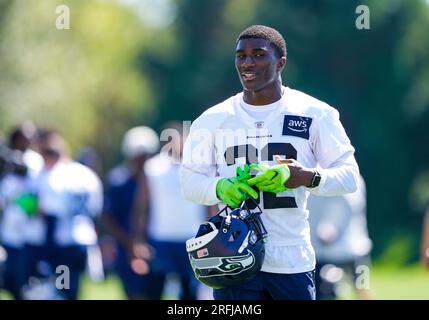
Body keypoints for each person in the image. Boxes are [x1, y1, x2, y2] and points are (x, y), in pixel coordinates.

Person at [180, 25, 359, 300]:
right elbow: (189, 182)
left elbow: (349, 177)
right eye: (241, 56)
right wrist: (221, 187)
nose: (247, 63)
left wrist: (303, 176)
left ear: (281, 62)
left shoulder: (315, 113)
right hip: (232, 256)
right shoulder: (213, 119)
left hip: (291, 258)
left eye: (259, 54)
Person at [135, 121, 208, 299]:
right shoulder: (152, 167)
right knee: (155, 289)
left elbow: (208, 203)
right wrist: (139, 240)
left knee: (190, 291)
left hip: (191, 238)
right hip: (161, 238)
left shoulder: (200, 165)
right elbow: (142, 207)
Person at [34, 129, 103, 299]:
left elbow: (48, 211)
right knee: (74, 287)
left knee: (63, 289)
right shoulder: (87, 174)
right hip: (85, 238)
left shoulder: (56, 175)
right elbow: (96, 209)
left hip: (64, 240)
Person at [102, 126, 159, 299]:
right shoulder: (118, 180)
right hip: (125, 248)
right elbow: (108, 217)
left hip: (153, 245)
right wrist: (131, 244)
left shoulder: (156, 179)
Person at [307, 175, 372, 299]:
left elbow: (350, 206)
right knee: (327, 290)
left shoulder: (350, 176)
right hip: (323, 251)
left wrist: (332, 229)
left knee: (363, 287)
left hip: (354, 248)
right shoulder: (312, 174)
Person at [0, 123, 44, 299]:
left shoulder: (35, 161)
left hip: (30, 234)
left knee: (25, 284)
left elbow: (36, 202)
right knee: (8, 283)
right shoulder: (5, 160)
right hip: (8, 233)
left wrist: (20, 199)